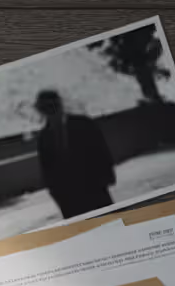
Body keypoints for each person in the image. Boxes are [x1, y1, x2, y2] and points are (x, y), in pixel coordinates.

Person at [35, 90, 116, 219]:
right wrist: (56, 195)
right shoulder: (44, 138)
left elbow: (101, 151)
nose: (52, 112)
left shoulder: (83, 124)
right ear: (41, 111)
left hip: (95, 189)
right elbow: (47, 171)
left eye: (53, 106)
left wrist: (107, 177)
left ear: (60, 105)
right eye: (46, 109)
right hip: (69, 199)